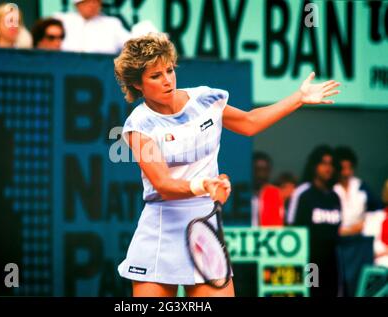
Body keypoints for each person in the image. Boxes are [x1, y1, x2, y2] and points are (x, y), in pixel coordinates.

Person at [114, 33, 340, 297]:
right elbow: (163, 184)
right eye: (155, 76)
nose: (167, 80)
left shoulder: (205, 100)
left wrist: (298, 98)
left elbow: (249, 122)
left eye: (169, 70)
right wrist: (204, 185)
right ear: (137, 84)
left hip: (205, 229)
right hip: (161, 231)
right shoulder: (139, 125)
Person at [287, 145, 342, 297]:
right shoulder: (302, 193)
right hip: (309, 262)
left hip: (331, 261)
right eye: (323, 163)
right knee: (310, 293)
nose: (328, 168)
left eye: (331, 164)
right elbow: (291, 226)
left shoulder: (335, 196)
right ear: (314, 165)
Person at [333, 146, 383, 237]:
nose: (347, 173)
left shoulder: (361, 186)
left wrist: (365, 224)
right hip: (334, 238)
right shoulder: (329, 189)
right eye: (343, 169)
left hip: (360, 238)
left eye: (350, 168)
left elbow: (378, 211)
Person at [251, 152, 284, 227]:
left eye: (265, 170)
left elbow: (277, 223)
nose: (261, 174)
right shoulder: (241, 192)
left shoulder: (274, 193)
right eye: (257, 169)